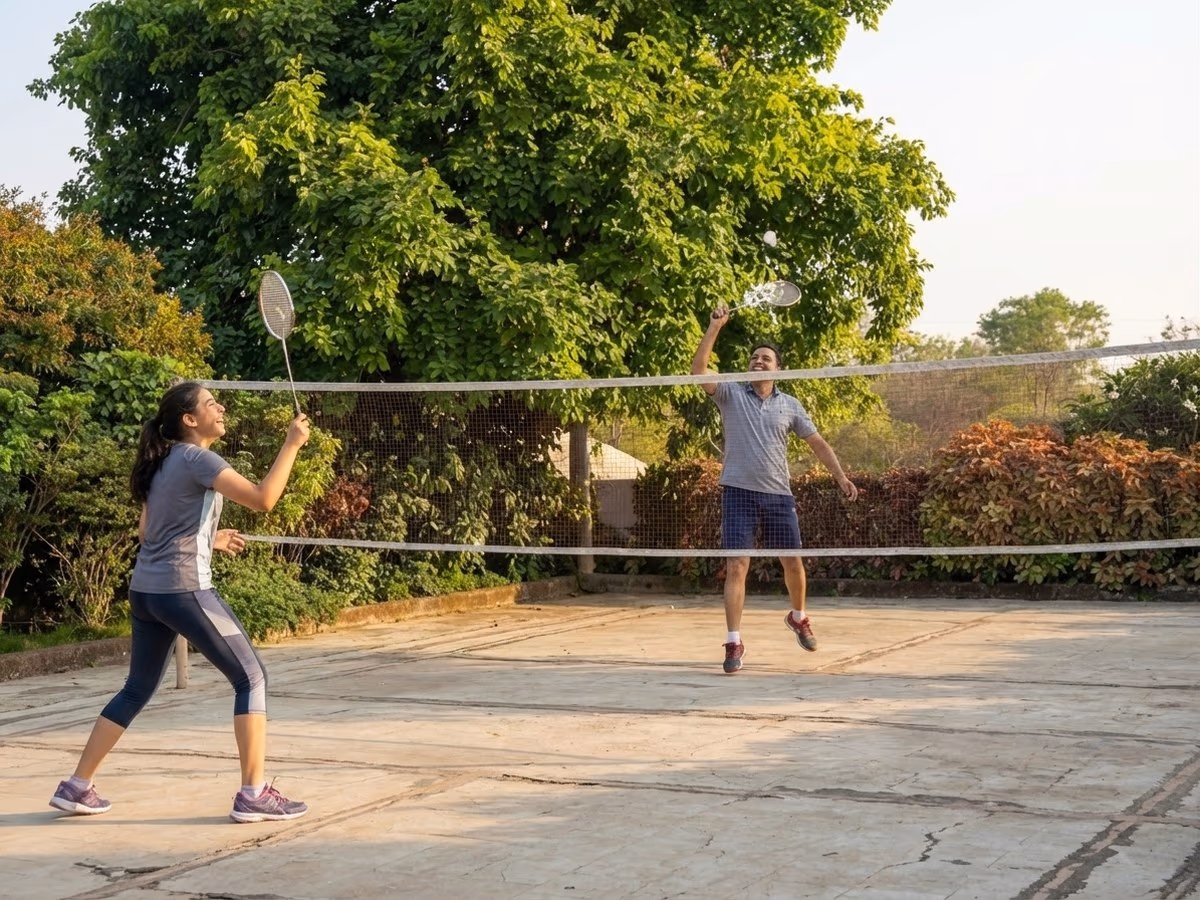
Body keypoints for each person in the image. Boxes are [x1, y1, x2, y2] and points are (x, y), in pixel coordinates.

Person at [49, 381, 312, 822]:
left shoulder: (162, 460)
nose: (221, 407)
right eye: (212, 404)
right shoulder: (198, 458)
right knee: (252, 678)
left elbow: (148, 533)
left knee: (136, 689)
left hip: (146, 592)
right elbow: (265, 499)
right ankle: (253, 794)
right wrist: (291, 444)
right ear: (190, 420)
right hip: (183, 589)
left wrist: (209, 537)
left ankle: (77, 786)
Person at [691, 307, 858, 674]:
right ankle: (733, 642)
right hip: (738, 493)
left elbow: (818, 443)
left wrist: (840, 476)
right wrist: (714, 327)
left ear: (778, 368)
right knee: (737, 566)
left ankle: (798, 616)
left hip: (778, 496)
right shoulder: (731, 394)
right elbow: (698, 372)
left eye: (765, 358)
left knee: (792, 563)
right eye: (754, 357)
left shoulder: (790, 405)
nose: (758, 361)